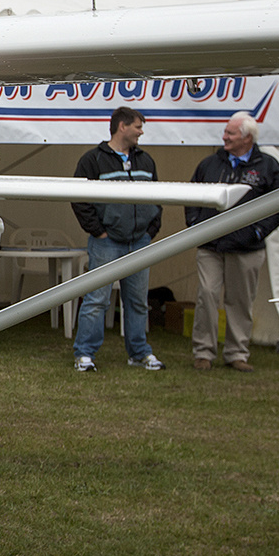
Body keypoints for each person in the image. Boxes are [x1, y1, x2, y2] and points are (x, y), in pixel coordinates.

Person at [186, 112, 279, 372]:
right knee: (206, 295)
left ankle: (236, 353)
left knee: (240, 300)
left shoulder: (268, 166)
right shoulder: (209, 163)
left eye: (230, 133)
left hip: (247, 249)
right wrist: (195, 224)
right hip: (211, 246)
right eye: (225, 132)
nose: (224, 137)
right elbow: (191, 194)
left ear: (247, 138)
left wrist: (256, 233)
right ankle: (203, 352)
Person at [69, 106, 163, 372]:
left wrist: (150, 229)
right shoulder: (93, 160)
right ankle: (85, 354)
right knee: (97, 299)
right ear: (122, 126)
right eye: (138, 126)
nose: (141, 132)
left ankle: (139, 353)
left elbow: (158, 196)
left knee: (137, 301)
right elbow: (78, 197)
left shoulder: (146, 160)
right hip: (106, 243)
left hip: (140, 242)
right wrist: (98, 231)